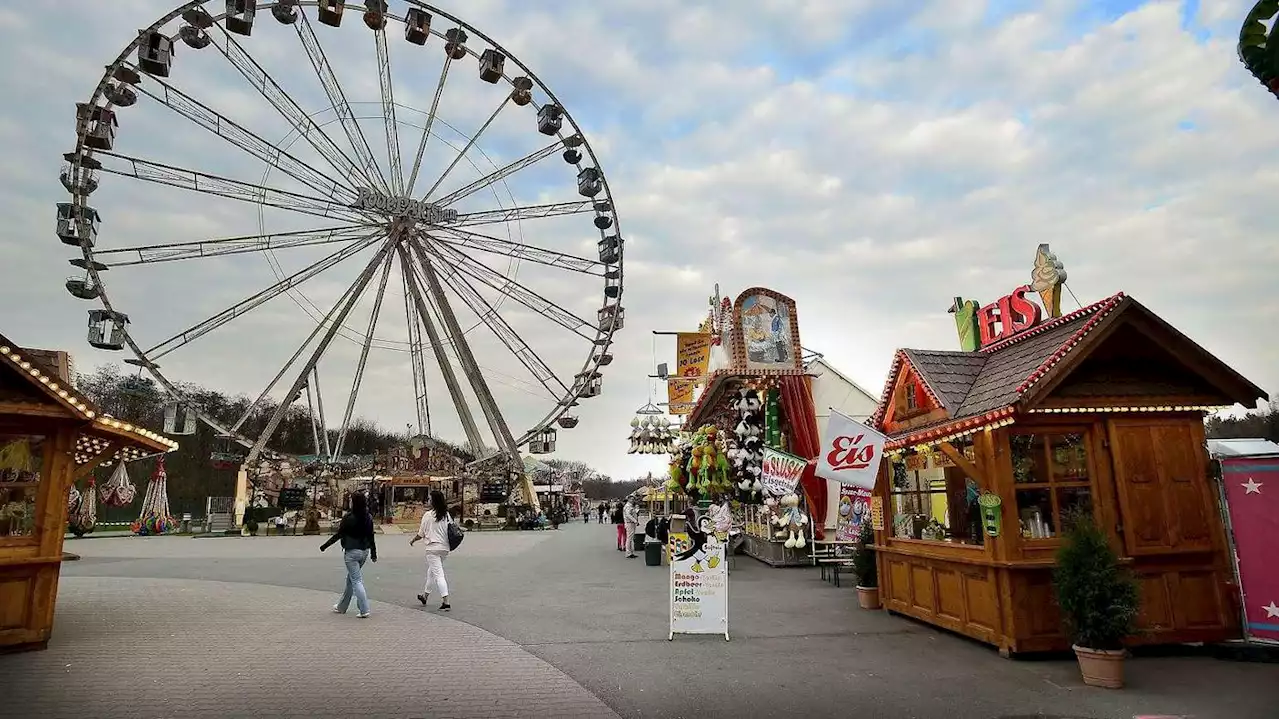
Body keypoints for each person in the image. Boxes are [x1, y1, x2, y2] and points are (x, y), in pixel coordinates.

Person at [320, 491, 377, 618]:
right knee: (351, 580)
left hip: (351, 552)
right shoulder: (368, 517)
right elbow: (371, 536)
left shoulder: (348, 517)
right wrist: (373, 553)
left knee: (356, 580)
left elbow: (339, 534)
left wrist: (325, 546)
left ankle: (364, 609)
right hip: (364, 551)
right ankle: (342, 607)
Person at [409, 489, 452, 612]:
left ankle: (446, 601)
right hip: (444, 548)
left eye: (429, 499)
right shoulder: (446, 515)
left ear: (433, 501)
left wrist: (413, 540)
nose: (428, 501)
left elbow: (421, 533)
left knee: (438, 574)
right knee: (431, 572)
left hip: (432, 549)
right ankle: (425, 596)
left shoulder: (428, 515)